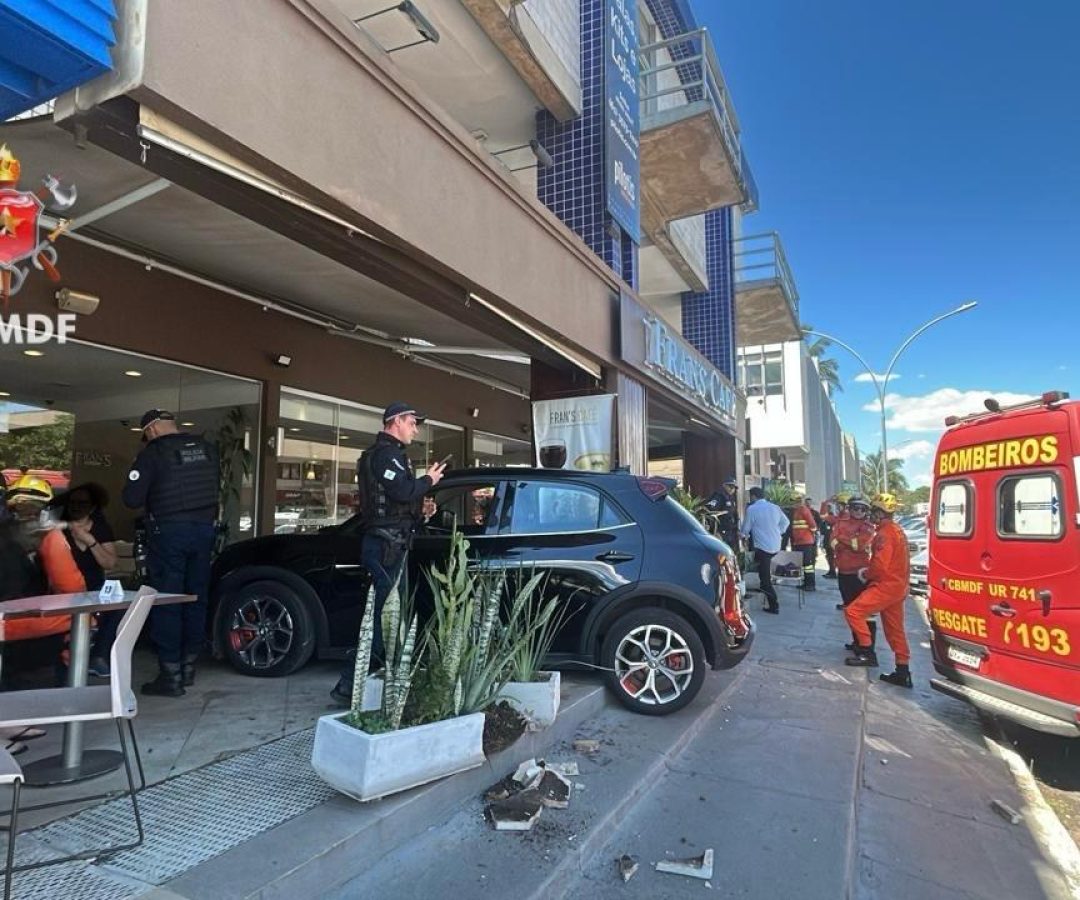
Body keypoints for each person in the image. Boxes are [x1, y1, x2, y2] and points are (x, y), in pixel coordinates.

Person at [330, 402, 446, 705]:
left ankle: (372, 685)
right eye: (412, 422)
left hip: (394, 543)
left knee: (392, 618)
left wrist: (422, 511)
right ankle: (349, 684)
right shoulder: (383, 455)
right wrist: (428, 481)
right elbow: (403, 492)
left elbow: (401, 503)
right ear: (395, 421)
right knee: (383, 619)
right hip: (384, 546)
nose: (416, 429)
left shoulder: (394, 457)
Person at [123, 409, 220, 698]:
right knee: (196, 598)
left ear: (151, 430)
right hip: (204, 532)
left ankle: (170, 675)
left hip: (169, 534)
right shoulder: (207, 450)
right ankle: (189, 667)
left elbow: (131, 499)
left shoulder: (153, 453)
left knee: (167, 600)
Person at [843, 493, 912, 687]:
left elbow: (881, 565)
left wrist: (866, 574)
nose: (869, 514)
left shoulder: (885, 534)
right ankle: (903, 670)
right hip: (898, 587)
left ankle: (866, 653)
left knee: (853, 611)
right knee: (895, 630)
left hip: (886, 585)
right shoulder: (897, 530)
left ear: (881, 513)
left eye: (873, 511)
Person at [56, 483, 119, 677]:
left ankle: (98, 657)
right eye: (72, 502)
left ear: (92, 507)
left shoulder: (100, 528)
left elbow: (110, 563)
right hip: (65, 590)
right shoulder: (59, 529)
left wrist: (89, 540)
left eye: (83, 503)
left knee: (118, 609)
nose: (76, 506)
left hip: (94, 588)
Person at [831, 496, 877, 649]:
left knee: (863, 612)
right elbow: (833, 543)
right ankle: (856, 641)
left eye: (862, 509)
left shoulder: (868, 527)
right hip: (843, 572)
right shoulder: (840, 523)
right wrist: (849, 541)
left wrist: (843, 540)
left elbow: (859, 545)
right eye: (855, 508)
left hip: (860, 574)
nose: (858, 511)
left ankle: (867, 647)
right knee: (849, 609)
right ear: (849, 509)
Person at [740, 486, 790, 614]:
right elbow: (786, 522)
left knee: (765, 579)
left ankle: (774, 605)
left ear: (753, 496)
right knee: (763, 571)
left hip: (763, 548)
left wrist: (742, 536)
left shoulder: (752, 509)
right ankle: (763, 590)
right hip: (776, 546)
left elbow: (745, 529)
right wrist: (778, 532)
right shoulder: (774, 507)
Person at [790, 495, 818, 591]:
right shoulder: (797, 511)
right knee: (804, 564)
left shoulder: (803, 510)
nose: (792, 504)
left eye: (793, 502)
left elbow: (813, 525)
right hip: (800, 542)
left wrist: (809, 534)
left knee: (808, 565)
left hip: (805, 542)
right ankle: (806, 582)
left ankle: (810, 584)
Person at [703, 477, 740, 550]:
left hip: (731, 532)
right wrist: (715, 531)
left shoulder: (731, 499)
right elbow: (709, 512)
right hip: (721, 532)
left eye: (734, 487)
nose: (732, 489)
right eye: (730, 486)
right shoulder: (719, 497)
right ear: (724, 486)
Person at [820, 496, 840, 579]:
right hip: (827, 539)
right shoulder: (830, 518)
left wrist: (825, 502)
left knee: (831, 556)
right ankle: (831, 571)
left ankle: (832, 572)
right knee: (829, 556)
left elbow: (822, 515)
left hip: (831, 540)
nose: (826, 510)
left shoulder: (832, 518)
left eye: (827, 508)